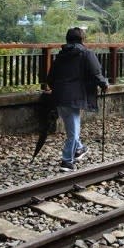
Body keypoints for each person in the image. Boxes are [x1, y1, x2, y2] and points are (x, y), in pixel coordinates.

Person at [47, 27, 108, 172]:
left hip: (59, 95)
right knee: (73, 130)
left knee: (71, 127)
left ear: (67, 39)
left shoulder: (61, 55)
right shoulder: (86, 53)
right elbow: (96, 72)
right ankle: (67, 161)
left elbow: (50, 78)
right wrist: (104, 84)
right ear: (82, 39)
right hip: (75, 96)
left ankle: (79, 148)